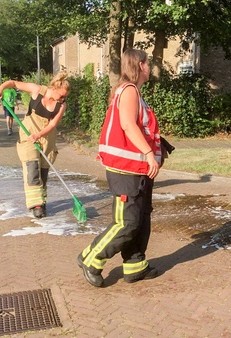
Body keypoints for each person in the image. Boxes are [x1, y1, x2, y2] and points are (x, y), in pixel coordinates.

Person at [77, 49, 162, 287]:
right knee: (127, 222)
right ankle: (91, 259)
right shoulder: (129, 90)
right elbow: (127, 125)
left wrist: (156, 151)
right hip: (127, 170)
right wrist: (148, 153)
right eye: (148, 63)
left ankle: (135, 266)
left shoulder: (133, 92)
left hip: (138, 170)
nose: (150, 67)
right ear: (140, 65)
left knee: (141, 219)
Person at [0, 73, 70, 218]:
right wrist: (0, 88)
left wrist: (39, 135)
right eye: (61, 96)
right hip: (28, 135)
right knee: (32, 168)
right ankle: (36, 205)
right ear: (53, 88)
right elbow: (14, 83)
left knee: (43, 172)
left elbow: (53, 124)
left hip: (47, 137)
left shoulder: (61, 105)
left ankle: (42, 199)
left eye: (65, 97)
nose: (62, 99)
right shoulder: (37, 90)